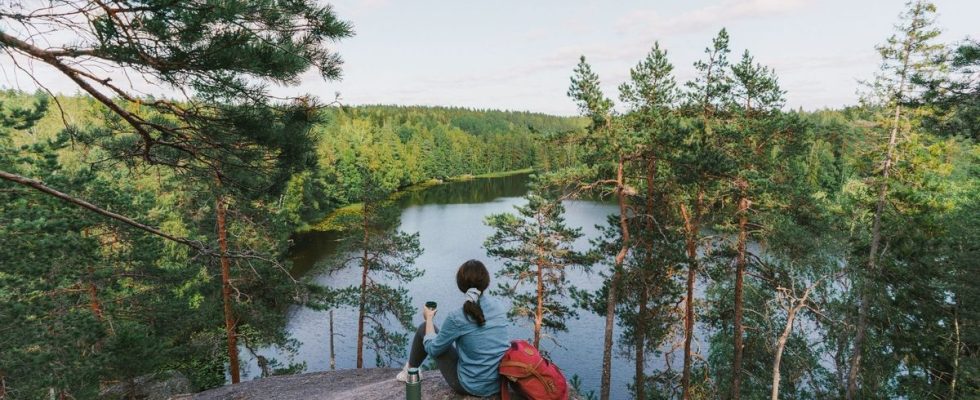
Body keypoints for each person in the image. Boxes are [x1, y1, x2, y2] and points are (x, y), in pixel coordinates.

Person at [396, 259, 510, 397]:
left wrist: (429, 319)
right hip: (499, 384)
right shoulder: (499, 306)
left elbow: (433, 350)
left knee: (423, 328)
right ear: (486, 282)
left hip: (470, 386)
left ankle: (411, 371)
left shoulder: (457, 317)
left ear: (460, 285)